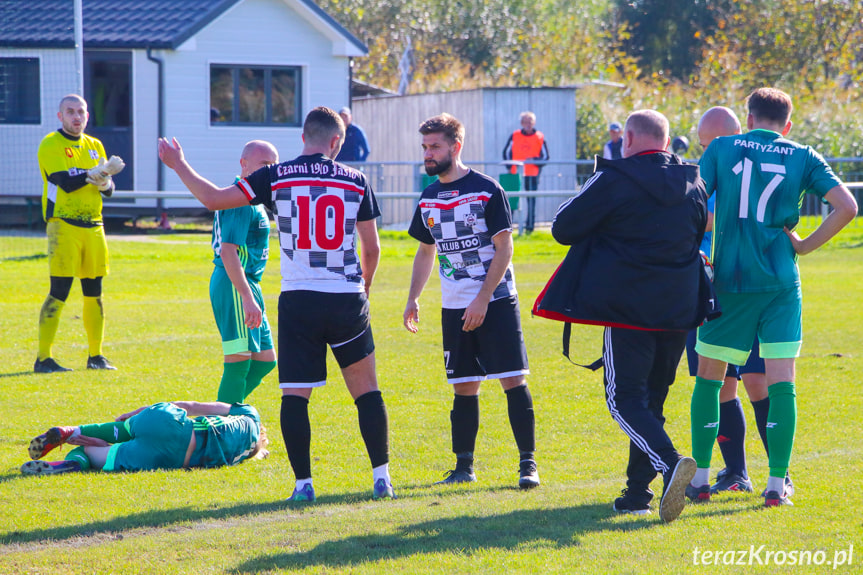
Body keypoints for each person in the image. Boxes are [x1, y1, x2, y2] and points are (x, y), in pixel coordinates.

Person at [158, 106, 393, 502]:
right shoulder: (356, 179)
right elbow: (372, 247)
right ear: (336, 142)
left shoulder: (277, 174)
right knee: (367, 391)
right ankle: (382, 478)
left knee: (295, 395)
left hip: (300, 299)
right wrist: (363, 290)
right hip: (346, 297)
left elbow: (215, 199)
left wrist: (179, 164)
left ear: (303, 138)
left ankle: (303, 486)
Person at [534, 109, 713, 523]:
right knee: (652, 401)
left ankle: (670, 465)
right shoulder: (694, 182)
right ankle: (637, 493)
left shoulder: (615, 177)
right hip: (678, 308)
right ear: (666, 142)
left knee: (623, 400)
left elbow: (563, 227)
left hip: (628, 308)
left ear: (628, 140)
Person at [689, 88, 858, 507]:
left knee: (710, 380)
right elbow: (847, 206)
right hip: (782, 284)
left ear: (748, 119)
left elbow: (690, 200)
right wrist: (803, 245)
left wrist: (694, 252)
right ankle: (776, 485)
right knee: (782, 383)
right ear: (787, 124)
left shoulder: (722, 148)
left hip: (730, 281)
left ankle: (703, 480)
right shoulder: (803, 154)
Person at [404, 113, 539, 490]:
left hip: (494, 301)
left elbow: (504, 247)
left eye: (435, 147)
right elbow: (425, 251)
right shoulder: (429, 196)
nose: (428, 154)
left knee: (512, 379)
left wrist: (482, 298)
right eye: (425, 147)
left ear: (455, 147)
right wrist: (413, 297)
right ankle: (464, 467)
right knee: (464, 385)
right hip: (453, 306)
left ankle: (528, 465)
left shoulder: (486, 189)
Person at [685, 106, 788, 499]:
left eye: (714, 143)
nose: (708, 152)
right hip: (710, 292)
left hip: (753, 289)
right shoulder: (702, 174)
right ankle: (736, 471)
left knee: (759, 383)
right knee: (718, 385)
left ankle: (781, 473)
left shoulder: (753, 170)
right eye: (703, 145)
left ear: (737, 136)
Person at [35, 94, 125, 373]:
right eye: (70, 112)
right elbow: (63, 182)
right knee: (59, 291)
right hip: (64, 224)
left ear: (88, 116)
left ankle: (95, 356)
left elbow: (108, 189)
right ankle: (43, 359)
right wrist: (95, 173)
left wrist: (103, 181)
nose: (76, 117)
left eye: (81, 112)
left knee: (94, 293)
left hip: (94, 226)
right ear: (60, 116)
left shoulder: (94, 145)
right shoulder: (51, 143)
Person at [22, 400, 267, 475]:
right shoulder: (242, 455)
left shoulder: (249, 414)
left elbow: (190, 406)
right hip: (175, 456)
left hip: (169, 422)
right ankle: (72, 464)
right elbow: (257, 453)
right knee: (90, 453)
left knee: (122, 429)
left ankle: (70, 431)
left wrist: (135, 413)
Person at [210, 140, 279, 404]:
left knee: (265, 361)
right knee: (238, 361)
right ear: (244, 164)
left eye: (274, 165)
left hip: (248, 284)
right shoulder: (240, 198)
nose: (270, 170)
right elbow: (228, 252)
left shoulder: (254, 196)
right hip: (234, 283)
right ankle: (222, 428)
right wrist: (247, 298)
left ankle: (221, 414)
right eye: (264, 164)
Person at [501, 111, 549, 234]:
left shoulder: (540, 137)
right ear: (522, 123)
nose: (528, 124)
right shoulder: (515, 135)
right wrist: (509, 165)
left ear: (534, 123)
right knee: (511, 201)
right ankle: (508, 228)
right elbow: (506, 152)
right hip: (514, 174)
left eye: (530, 122)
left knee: (531, 201)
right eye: (526, 122)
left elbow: (546, 157)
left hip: (532, 174)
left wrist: (534, 161)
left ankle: (529, 228)